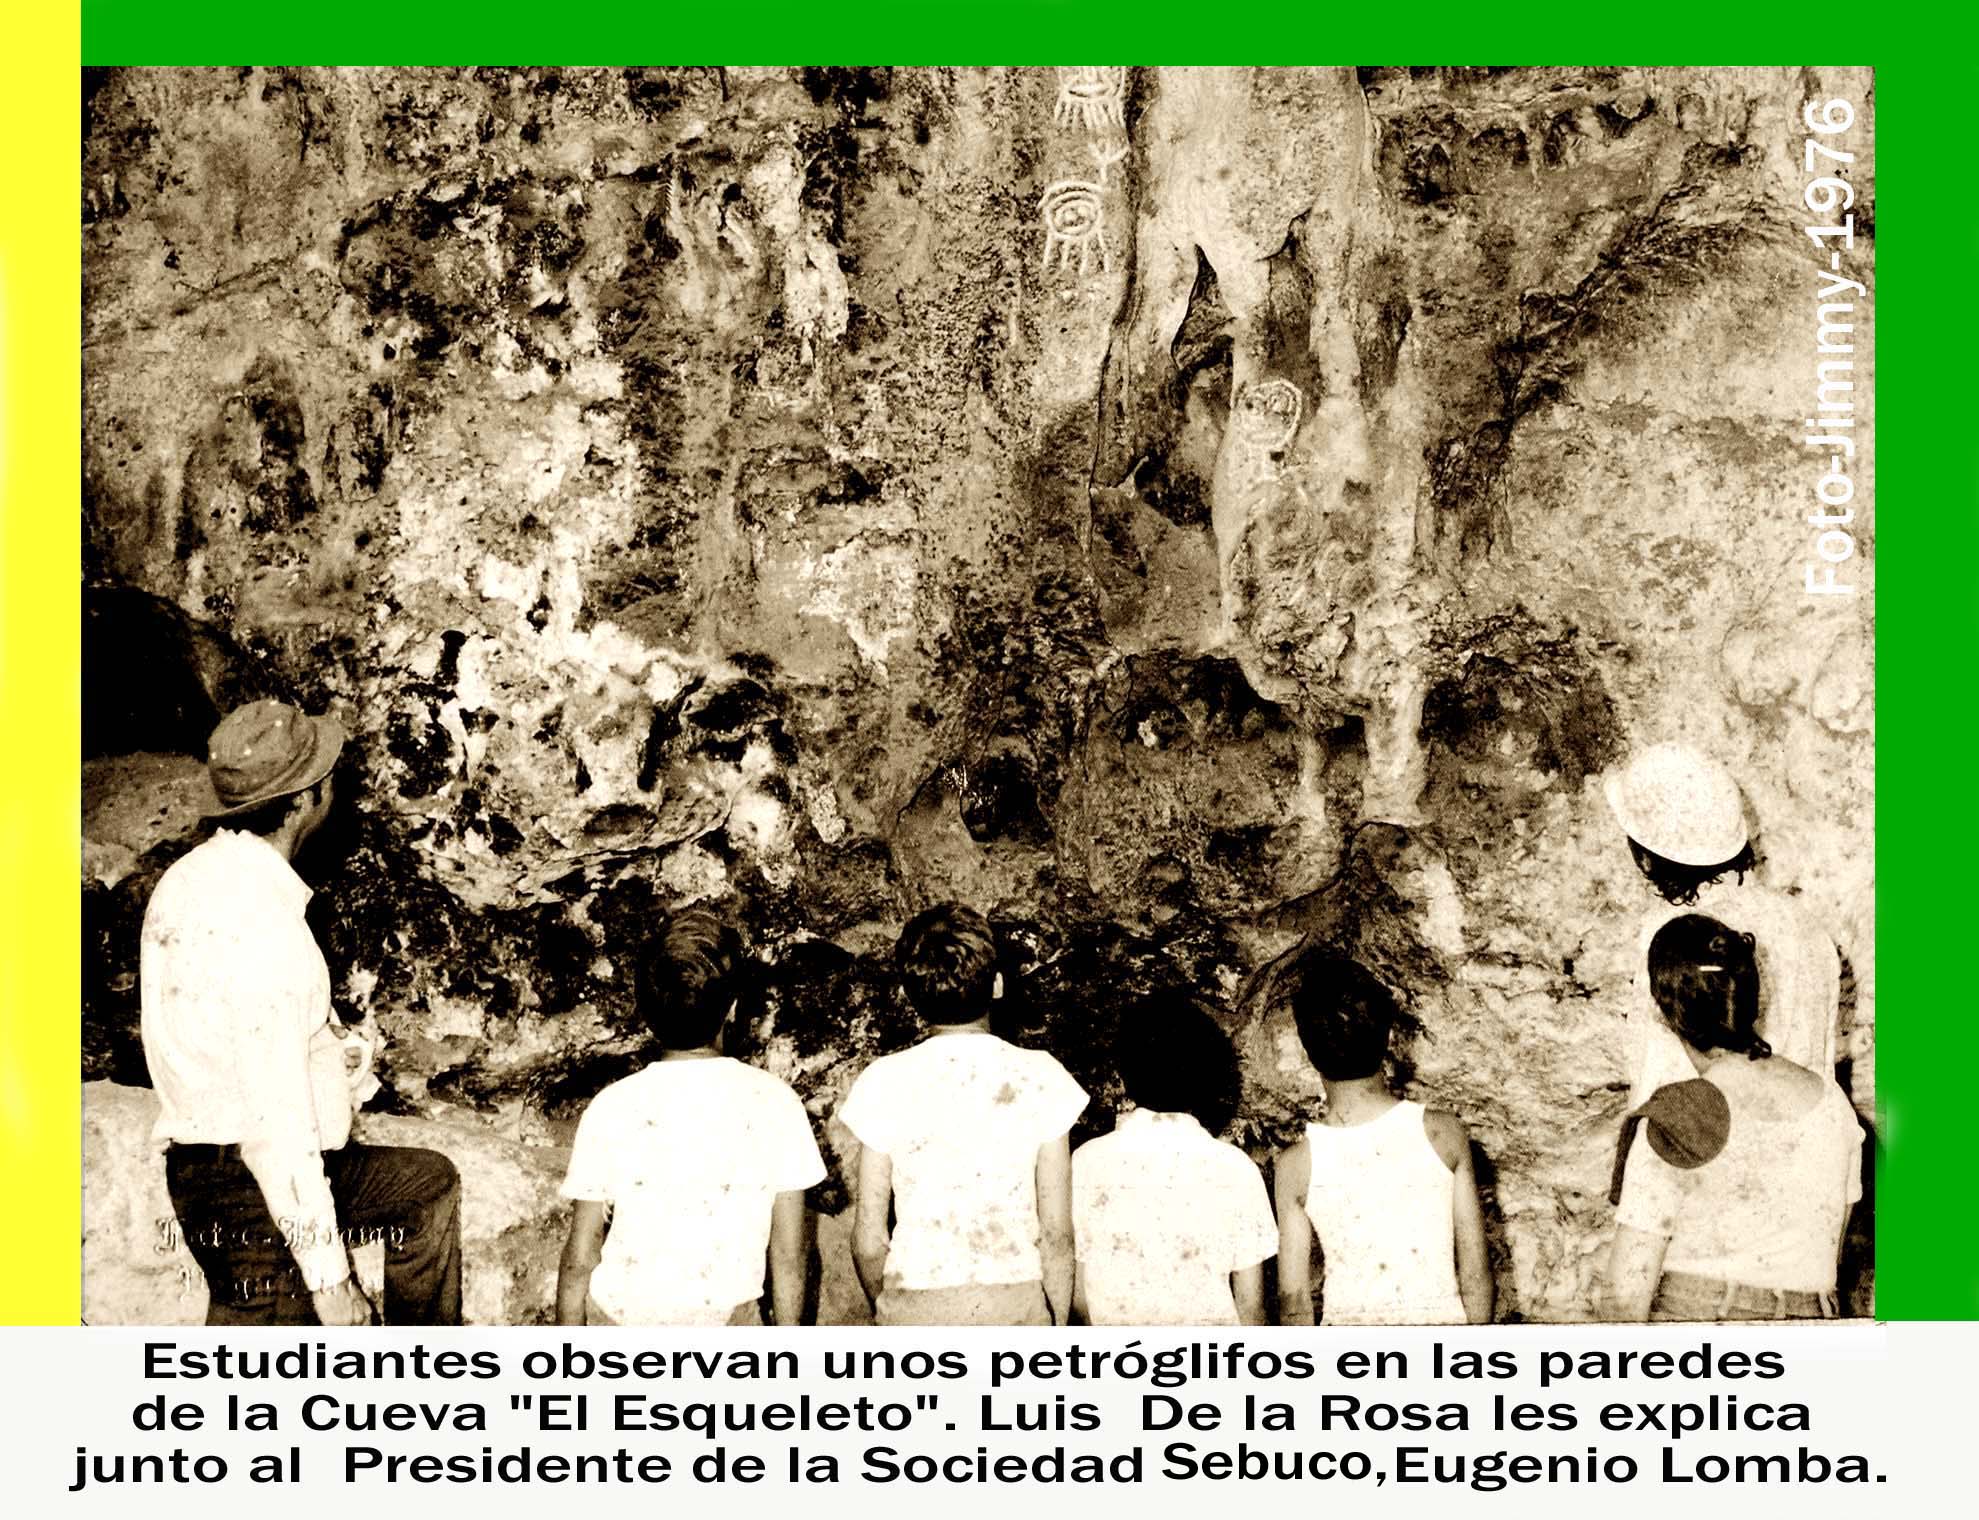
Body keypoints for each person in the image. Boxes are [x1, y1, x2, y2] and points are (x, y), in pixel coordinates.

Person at [141, 699, 461, 1325]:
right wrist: (331, 1280)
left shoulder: (188, 878)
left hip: (198, 1171)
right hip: (252, 1189)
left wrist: (324, 1049)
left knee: (425, 1186)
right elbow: (276, 1128)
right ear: (304, 800)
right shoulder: (268, 928)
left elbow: (222, 1031)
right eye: (325, 775)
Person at [556, 909, 824, 1326]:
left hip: (621, 1321)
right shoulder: (776, 1103)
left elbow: (580, 1256)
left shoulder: (611, 1106)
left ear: (646, 1012)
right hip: (724, 1322)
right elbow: (789, 1256)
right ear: (732, 1009)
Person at [1602, 914, 1862, 1321]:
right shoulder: (1833, 1103)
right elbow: (1832, 1248)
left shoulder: (1680, 1112)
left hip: (1702, 1326)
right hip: (1811, 1326)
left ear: (1662, 1011)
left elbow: (1625, 1297)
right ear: (1749, 996)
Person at [837, 904, 1087, 1326]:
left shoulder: (883, 1079)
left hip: (914, 1298)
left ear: (909, 995)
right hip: (1013, 1301)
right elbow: (1056, 1236)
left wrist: (893, 1306)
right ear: (997, 985)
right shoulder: (1041, 1075)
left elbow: (868, 1240)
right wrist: (1056, 1327)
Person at [1604, 743, 1843, 1106]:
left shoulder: (1672, 943)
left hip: (1720, 1139)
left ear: (1646, 859)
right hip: (1813, 1132)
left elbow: (1660, 1087)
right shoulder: (1803, 922)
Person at [1273, 950, 1492, 1326]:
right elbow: (1475, 1275)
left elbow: (1294, 1301)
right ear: (1389, 1036)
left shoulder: (1296, 1164)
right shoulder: (1443, 1133)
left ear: (1308, 1050)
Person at [1071, 998, 1277, 1326]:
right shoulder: (1237, 1169)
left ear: (1123, 1074)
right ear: (1202, 1076)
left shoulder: (1085, 1163)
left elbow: (1079, 1300)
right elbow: (1251, 1308)